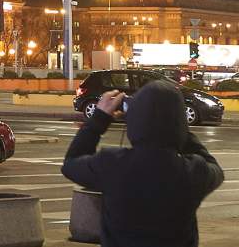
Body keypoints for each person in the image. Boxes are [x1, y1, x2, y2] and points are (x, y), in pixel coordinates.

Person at [62, 81, 224, 247]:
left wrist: (99, 119)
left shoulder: (111, 164)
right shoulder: (193, 171)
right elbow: (214, 168)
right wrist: (173, 122)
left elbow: (71, 163)